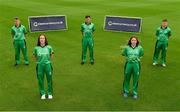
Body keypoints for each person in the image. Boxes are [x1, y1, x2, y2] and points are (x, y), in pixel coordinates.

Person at [33, 34, 54, 100]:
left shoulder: (49, 47)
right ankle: (43, 93)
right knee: (40, 80)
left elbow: (52, 54)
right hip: (40, 66)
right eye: (40, 38)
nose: (42, 39)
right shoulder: (36, 48)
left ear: (45, 39)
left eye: (43, 38)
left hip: (48, 65)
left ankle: (50, 93)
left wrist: (48, 61)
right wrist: (38, 61)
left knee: (49, 80)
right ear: (39, 40)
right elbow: (34, 56)